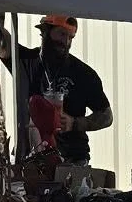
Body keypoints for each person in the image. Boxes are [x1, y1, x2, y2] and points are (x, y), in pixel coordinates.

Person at [17, 16, 111, 155]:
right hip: (32, 159)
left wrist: (74, 123)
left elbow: (106, 117)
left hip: (72, 159)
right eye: (61, 34)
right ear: (45, 32)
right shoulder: (26, 61)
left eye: (71, 37)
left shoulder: (83, 73)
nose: (66, 42)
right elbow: (2, 44)